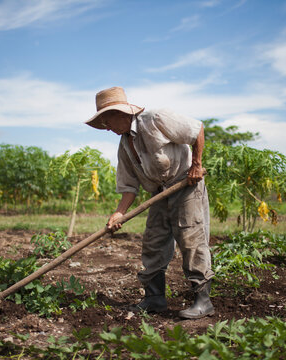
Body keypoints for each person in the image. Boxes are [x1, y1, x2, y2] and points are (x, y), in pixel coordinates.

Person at [85, 86, 215, 319]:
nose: (107, 128)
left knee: (191, 239)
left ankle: (203, 301)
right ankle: (155, 299)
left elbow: (197, 130)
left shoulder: (155, 119)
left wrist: (196, 165)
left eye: (107, 121)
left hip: (185, 185)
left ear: (121, 113)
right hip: (158, 193)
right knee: (153, 243)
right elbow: (128, 186)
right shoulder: (125, 144)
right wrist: (119, 213)